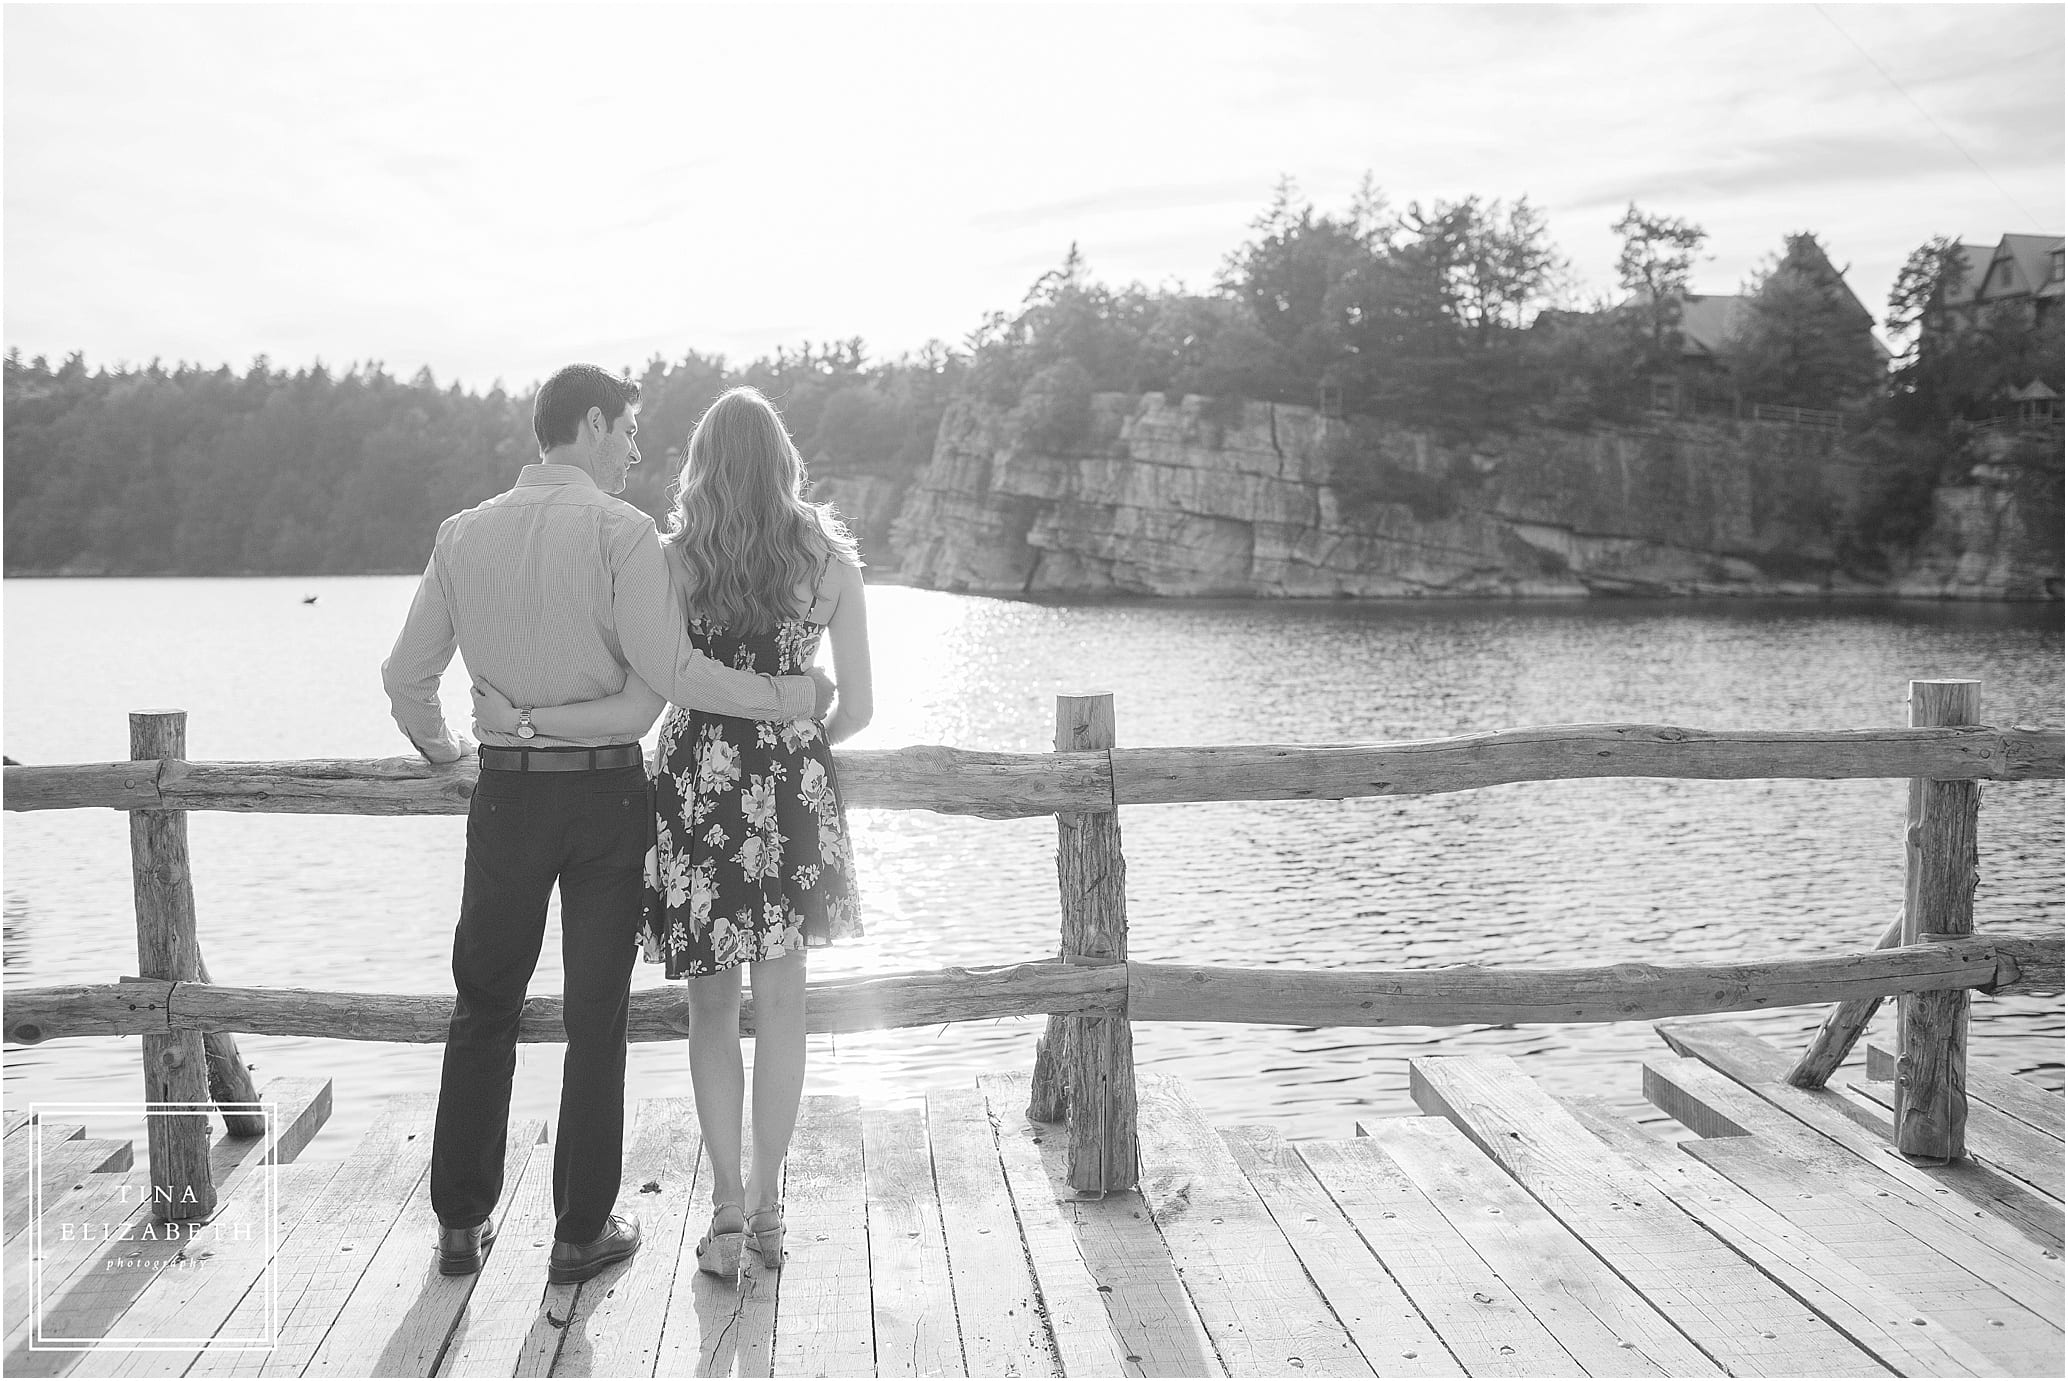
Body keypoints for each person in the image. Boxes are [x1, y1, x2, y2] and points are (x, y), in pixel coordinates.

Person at [381, 365, 833, 1286]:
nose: (635, 445)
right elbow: (660, 691)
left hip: (504, 794)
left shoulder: (462, 535)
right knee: (597, 1015)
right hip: (602, 801)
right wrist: (791, 696)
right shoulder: (622, 532)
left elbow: (404, 679)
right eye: (627, 426)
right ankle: (578, 1231)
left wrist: (460, 753)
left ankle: (460, 1224)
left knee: (484, 1004)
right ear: (589, 424)